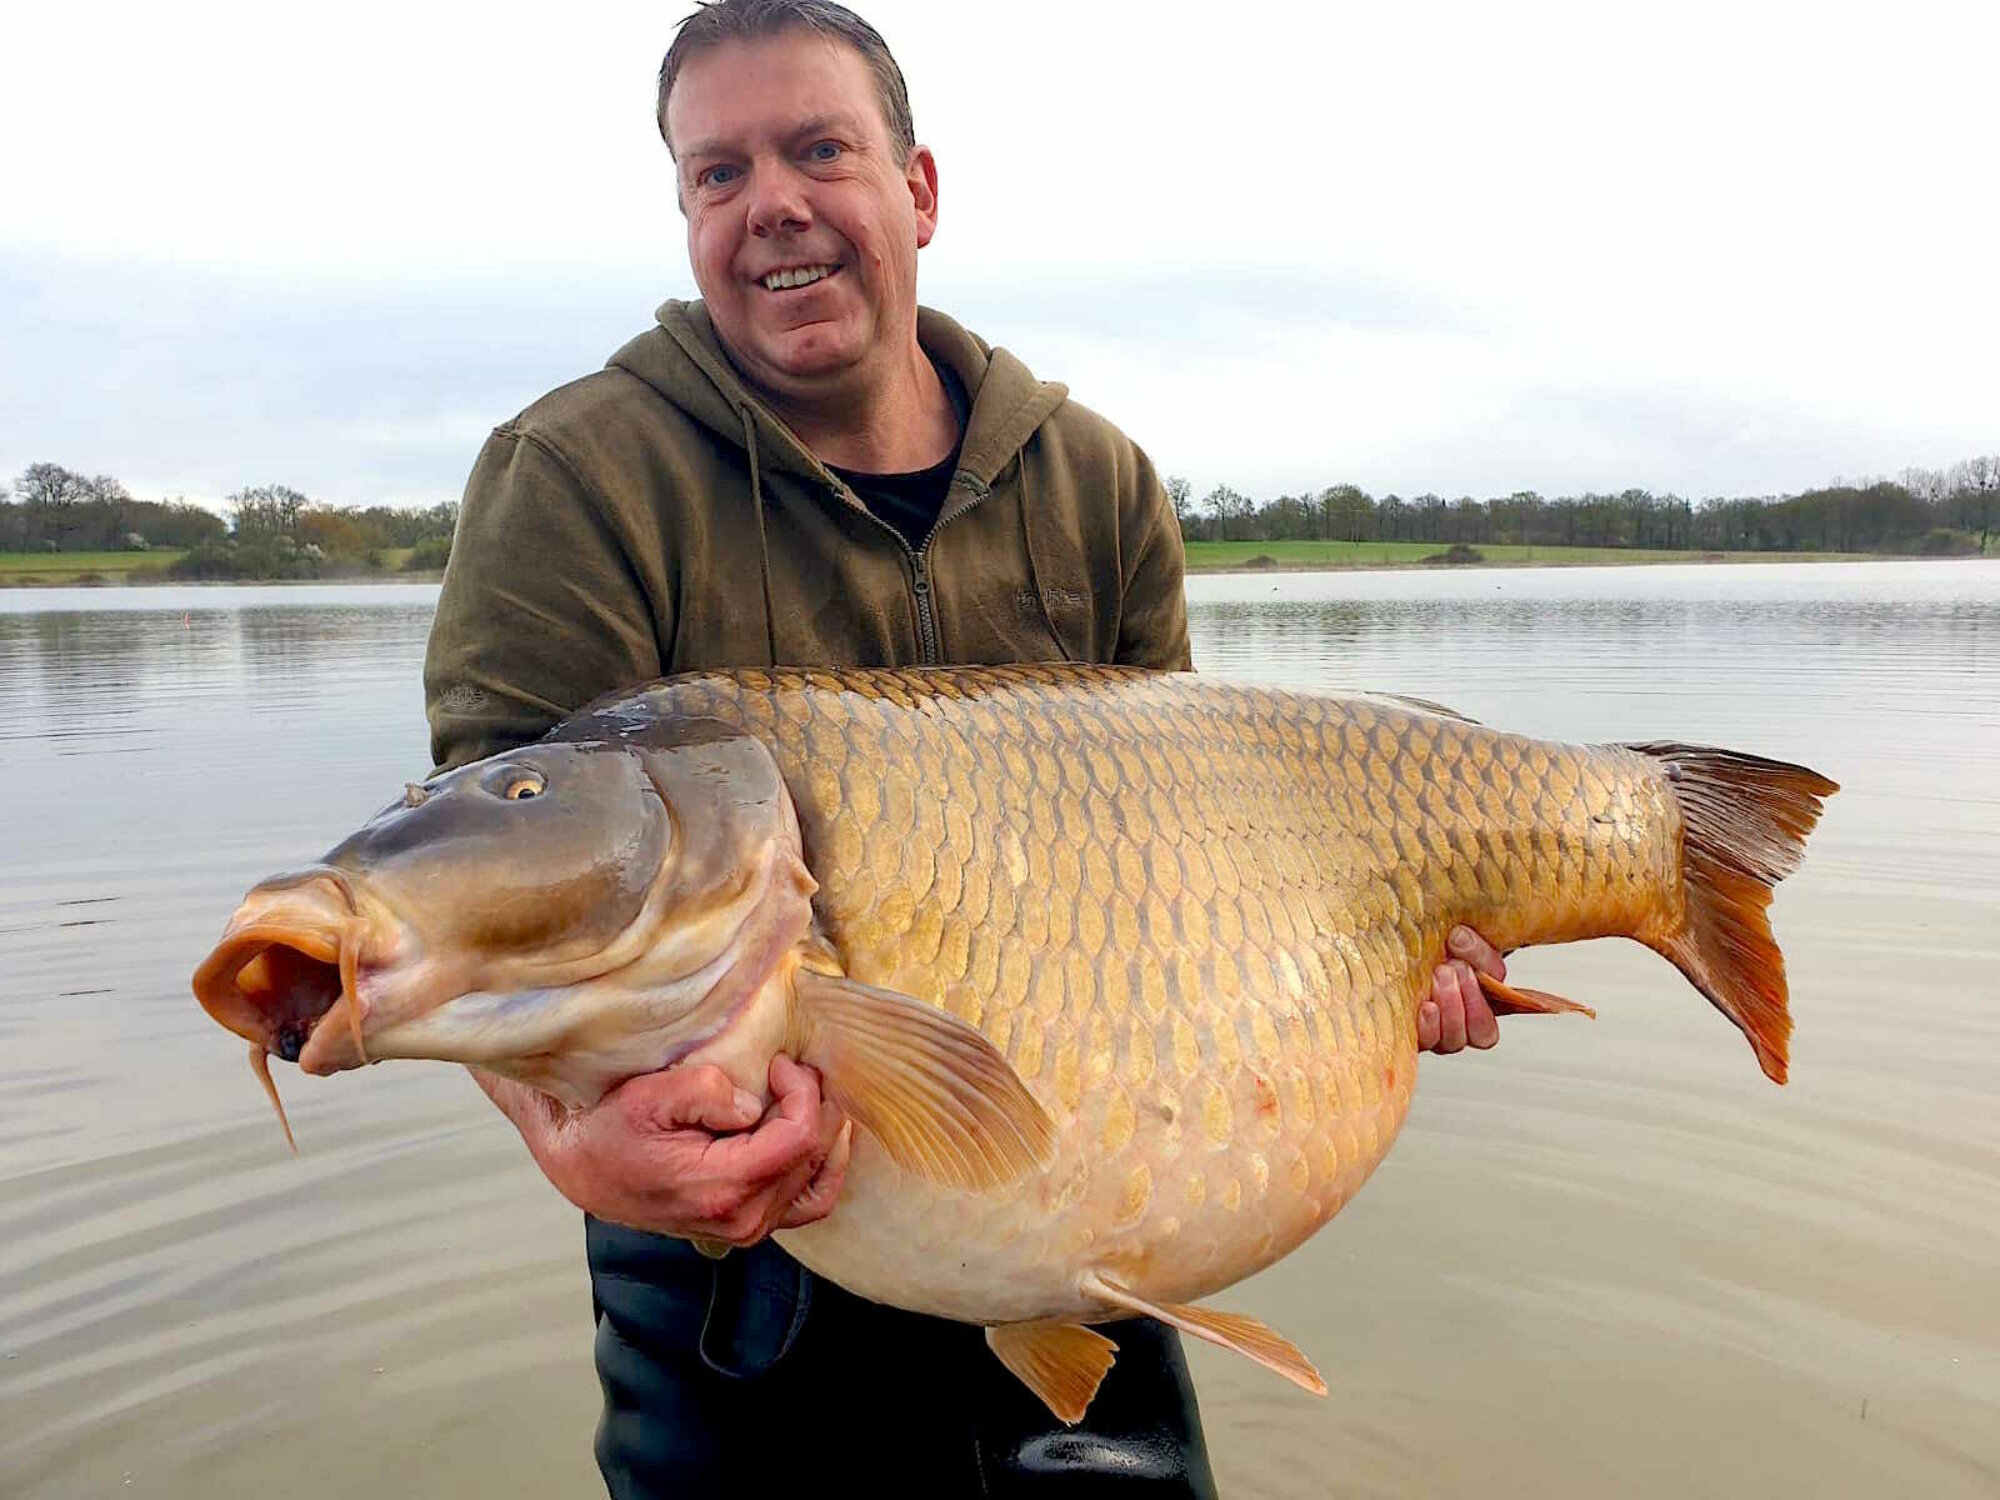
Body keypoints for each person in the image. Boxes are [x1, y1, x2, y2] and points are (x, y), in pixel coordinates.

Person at [421, 3, 1510, 1493]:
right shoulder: (575, 480)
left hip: (1085, 1201)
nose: (773, 207)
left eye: (819, 150)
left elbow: (1204, 857)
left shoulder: (1096, 482)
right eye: (718, 174)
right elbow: (484, 882)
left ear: (918, 189)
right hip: (737, 1253)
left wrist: (1379, 963)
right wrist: (570, 1142)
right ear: (683, 211)